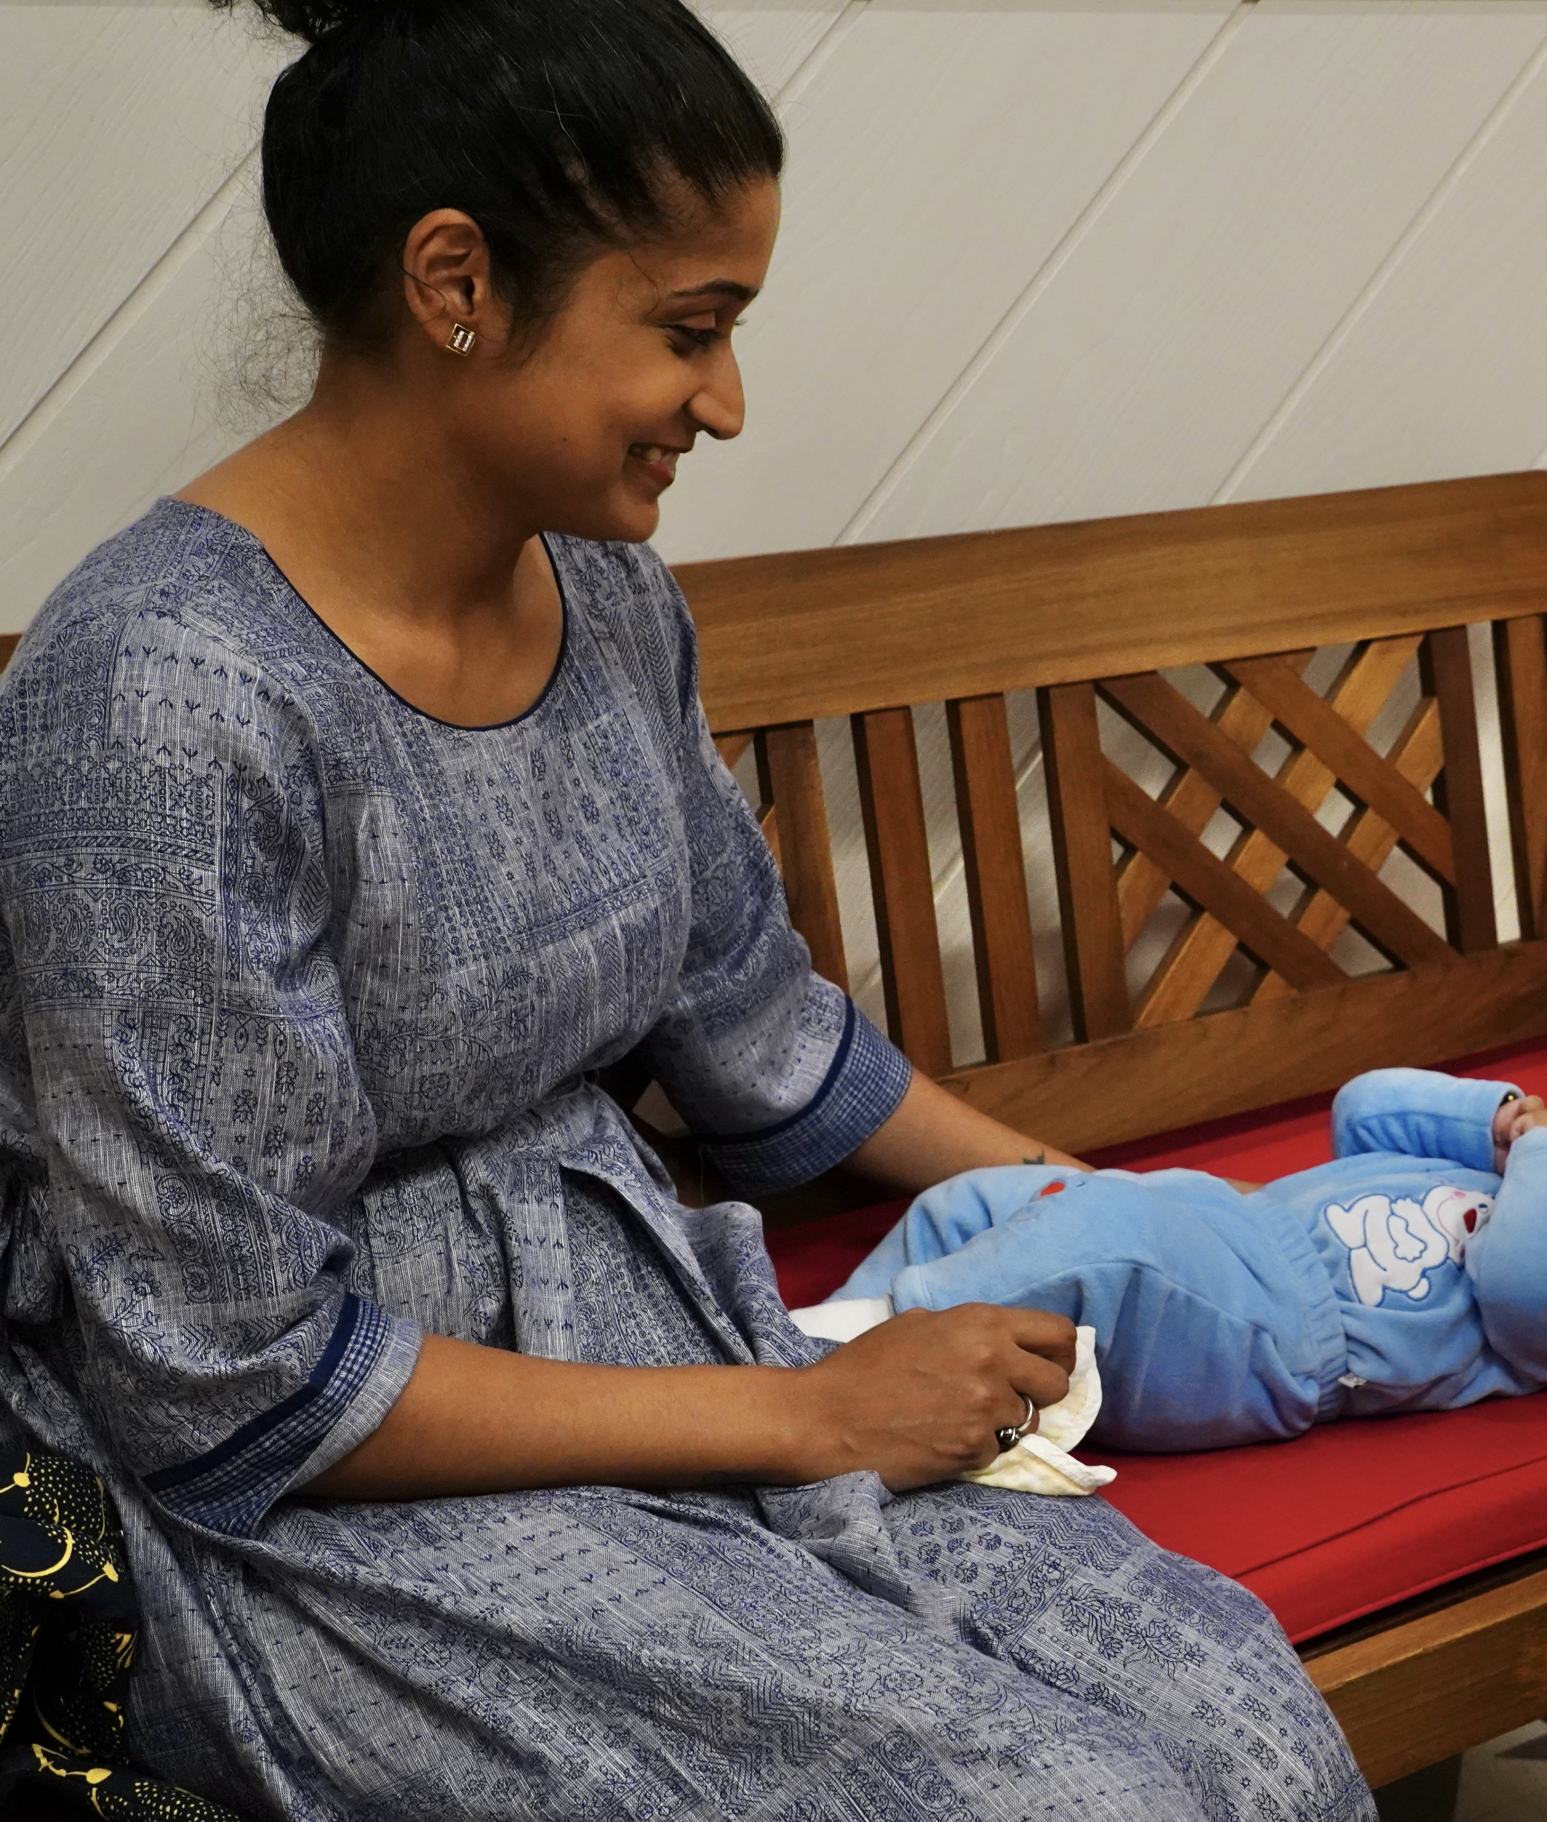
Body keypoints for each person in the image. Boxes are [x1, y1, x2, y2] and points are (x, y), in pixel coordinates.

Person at [0, 3, 1374, 1816]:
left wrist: (1132, 1207)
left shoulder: (609, 601)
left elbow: (758, 1027)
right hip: (313, 1506)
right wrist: (806, 1414)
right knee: (1059, 1797)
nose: (726, 403)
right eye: (688, 329)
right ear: (456, 282)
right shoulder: (163, 694)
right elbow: (225, 1376)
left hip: (657, 1345)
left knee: (1243, 1718)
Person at [817, 1073, 1547, 1449]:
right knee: (977, 1201)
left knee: (1102, 1243)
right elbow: (1362, 1110)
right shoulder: (1490, 1164)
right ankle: (818, 1333)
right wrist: (1500, 1119)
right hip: (1219, 1222)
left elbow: (1523, 1275)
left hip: (1274, 1340)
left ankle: (849, 1369)